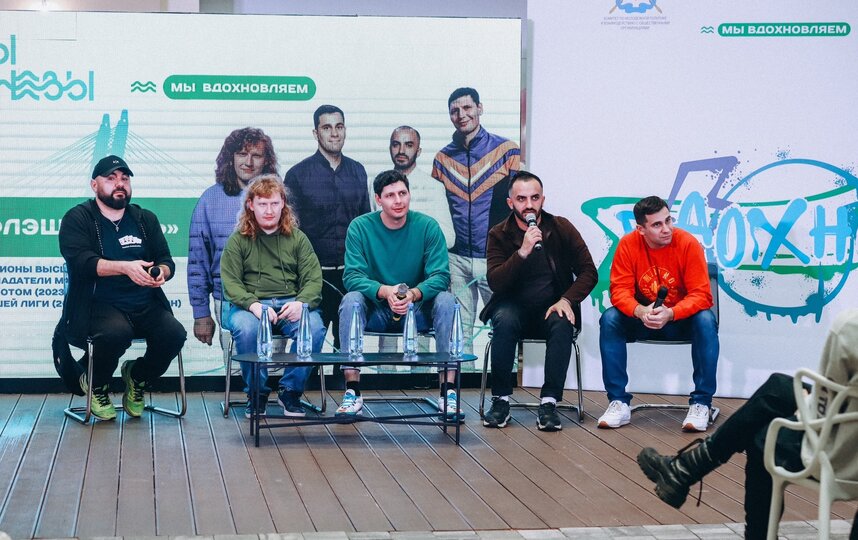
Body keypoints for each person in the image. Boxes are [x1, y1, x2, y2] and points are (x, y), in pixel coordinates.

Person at [637, 309, 858, 540]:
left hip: (839, 459)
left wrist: (806, 401)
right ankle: (686, 468)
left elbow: (822, 409)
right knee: (779, 387)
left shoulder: (850, 327)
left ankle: (689, 470)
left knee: (764, 438)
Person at [56, 155, 187, 421]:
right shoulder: (78, 218)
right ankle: (96, 384)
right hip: (97, 305)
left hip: (144, 303)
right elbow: (82, 262)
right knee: (116, 333)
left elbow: (166, 260)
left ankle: (137, 377)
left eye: (124, 178)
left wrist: (160, 273)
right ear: (94, 185)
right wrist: (125, 267)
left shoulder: (144, 219)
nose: (119, 184)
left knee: (174, 335)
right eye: (111, 178)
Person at [480, 171, 598, 431]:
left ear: (543, 199)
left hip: (552, 306)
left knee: (562, 320)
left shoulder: (561, 228)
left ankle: (549, 403)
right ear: (510, 203)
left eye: (534, 198)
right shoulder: (499, 234)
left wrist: (567, 300)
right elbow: (495, 282)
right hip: (513, 307)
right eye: (521, 199)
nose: (529, 205)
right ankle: (500, 401)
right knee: (504, 319)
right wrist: (522, 252)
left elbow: (589, 272)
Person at [336, 170, 459, 418]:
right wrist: (385, 291)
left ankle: (448, 392)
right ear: (378, 199)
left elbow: (440, 276)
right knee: (351, 301)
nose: (398, 200)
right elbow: (352, 277)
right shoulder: (360, 227)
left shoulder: (427, 226)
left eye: (403, 193)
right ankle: (352, 391)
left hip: (417, 310)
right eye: (390, 195)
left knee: (447, 301)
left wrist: (413, 294)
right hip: (377, 310)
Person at [598, 195, 718, 432]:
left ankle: (702, 403)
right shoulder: (628, 244)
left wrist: (671, 313)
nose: (666, 229)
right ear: (640, 229)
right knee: (610, 318)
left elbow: (702, 295)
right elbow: (619, 290)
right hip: (644, 319)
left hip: (679, 320)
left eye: (668, 220)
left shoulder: (688, 243)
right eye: (657, 224)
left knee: (706, 319)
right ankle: (618, 402)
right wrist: (640, 311)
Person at [220, 175, 327, 418]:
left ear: (283, 205)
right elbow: (231, 283)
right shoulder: (237, 241)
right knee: (246, 329)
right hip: (251, 307)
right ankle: (256, 393)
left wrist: (301, 303)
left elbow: (313, 280)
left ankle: (290, 391)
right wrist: (253, 305)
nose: (269, 211)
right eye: (262, 204)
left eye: (274, 204)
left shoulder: (298, 239)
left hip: (291, 303)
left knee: (314, 328)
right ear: (251, 205)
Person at [432, 87, 520, 354]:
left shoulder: (507, 151)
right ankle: (460, 379)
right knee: (460, 334)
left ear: (480, 108)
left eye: (467, 108)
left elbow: (520, 204)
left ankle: (501, 380)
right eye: (454, 111)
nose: (461, 115)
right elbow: (437, 210)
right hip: (456, 259)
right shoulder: (442, 159)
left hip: (495, 258)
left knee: (504, 326)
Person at [188, 128, 279, 360]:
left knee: (274, 368)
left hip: (275, 299)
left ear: (266, 161)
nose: (248, 162)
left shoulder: (279, 198)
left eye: (256, 155)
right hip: (228, 299)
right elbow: (198, 261)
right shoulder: (210, 200)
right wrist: (201, 313)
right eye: (242, 154)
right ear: (230, 157)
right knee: (239, 368)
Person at [285, 105, 370, 351]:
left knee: (348, 347)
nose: (334, 133)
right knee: (310, 344)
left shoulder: (358, 171)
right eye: (327, 127)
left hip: (350, 275)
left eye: (339, 126)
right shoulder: (297, 175)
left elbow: (365, 224)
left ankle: (346, 378)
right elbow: (290, 231)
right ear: (316, 133)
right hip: (312, 276)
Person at [376, 126, 454, 354]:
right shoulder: (378, 185)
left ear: (419, 151)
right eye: (396, 144)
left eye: (409, 145)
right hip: (386, 278)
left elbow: (450, 237)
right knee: (386, 347)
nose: (402, 150)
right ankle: (386, 376)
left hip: (423, 278)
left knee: (421, 347)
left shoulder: (433, 187)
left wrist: (416, 235)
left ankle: (430, 374)